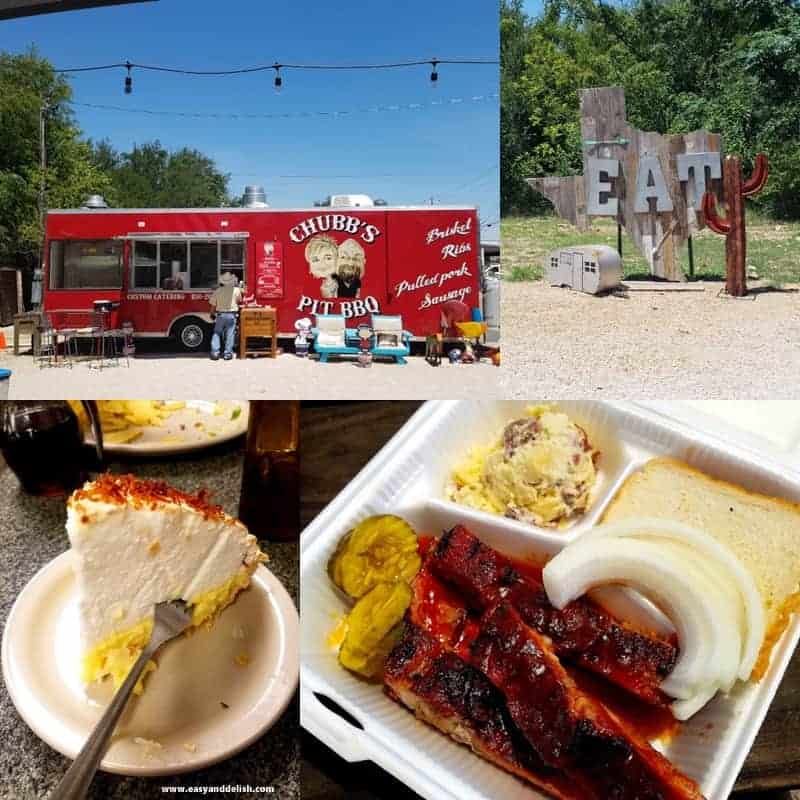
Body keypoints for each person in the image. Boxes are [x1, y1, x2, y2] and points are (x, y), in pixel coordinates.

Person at [209, 272, 243, 360]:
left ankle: (215, 353)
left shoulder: (217, 291)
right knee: (230, 334)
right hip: (232, 315)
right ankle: (228, 354)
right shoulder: (236, 290)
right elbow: (239, 301)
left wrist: (212, 314)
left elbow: (213, 305)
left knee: (217, 332)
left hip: (220, 314)